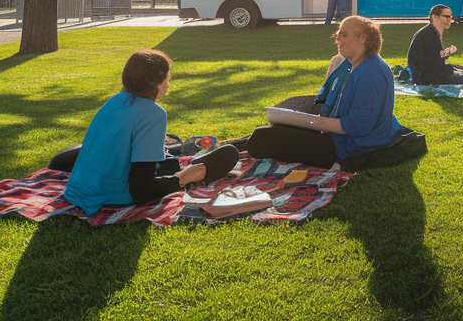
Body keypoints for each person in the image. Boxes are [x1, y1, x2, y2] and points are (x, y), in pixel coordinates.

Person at [60, 50, 239, 215]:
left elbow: (129, 159)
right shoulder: (153, 113)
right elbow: (141, 190)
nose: (168, 84)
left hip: (79, 189)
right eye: (167, 79)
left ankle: (183, 164)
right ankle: (189, 171)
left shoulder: (116, 100)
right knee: (178, 171)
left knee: (164, 162)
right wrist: (181, 180)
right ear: (156, 82)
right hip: (112, 195)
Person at [244, 16, 400, 168]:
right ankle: (233, 146)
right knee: (273, 128)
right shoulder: (350, 64)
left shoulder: (372, 72)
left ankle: (234, 147)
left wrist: (314, 123)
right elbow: (330, 101)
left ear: (362, 38)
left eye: (344, 36)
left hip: (352, 147)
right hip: (337, 135)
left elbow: (360, 125)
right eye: (338, 36)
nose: (338, 41)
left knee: (261, 139)